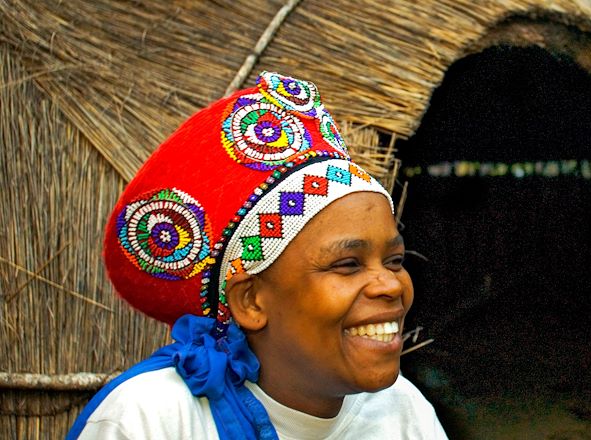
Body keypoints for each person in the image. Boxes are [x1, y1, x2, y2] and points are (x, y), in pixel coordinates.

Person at [67, 71, 447, 439]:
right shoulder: (151, 421)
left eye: (394, 261)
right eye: (347, 265)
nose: (389, 285)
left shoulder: (401, 413)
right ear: (250, 300)